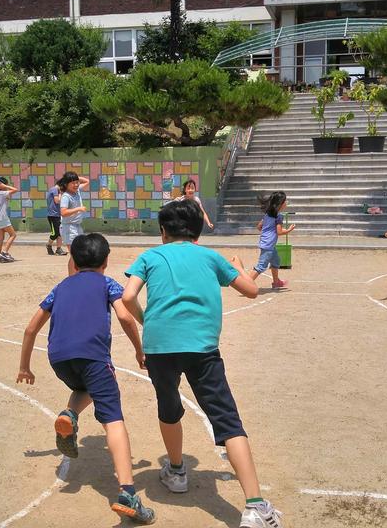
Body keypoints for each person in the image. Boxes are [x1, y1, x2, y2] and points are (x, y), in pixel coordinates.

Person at [121, 199, 284, 528]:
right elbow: (251, 290)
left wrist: (147, 322)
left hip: (159, 348)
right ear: (197, 231)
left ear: (163, 231)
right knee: (226, 418)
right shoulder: (210, 256)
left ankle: (177, 472)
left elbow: (127, 298)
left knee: (168, 407)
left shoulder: (150, 256)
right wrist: (237, 265)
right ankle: (255, 506)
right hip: (201, 348)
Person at [16, 233, 156, 524]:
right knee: (113, 419)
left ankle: (70, 414)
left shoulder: (60, 287)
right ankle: (128, 492)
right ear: (106, 261)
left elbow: (30, 330)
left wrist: (25, 367)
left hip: (58, 358)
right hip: (92, 357)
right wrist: (140, 352)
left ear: (74, 261)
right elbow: (126, 317)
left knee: (85, 386)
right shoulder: (107, 283)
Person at [247, 191, 295, 289]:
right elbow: (279, 232)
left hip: (268, 244)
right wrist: (289, 230)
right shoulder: (279, 217)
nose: (286, 203)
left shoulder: (267, 214)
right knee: (261, 266)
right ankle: (244, 283)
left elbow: (259, 226)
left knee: (276, 261)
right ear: (280, 204)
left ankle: (276, 282)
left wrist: (267, 231)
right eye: (285, 201)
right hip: (268, 245)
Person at [58, 171, 90, 272]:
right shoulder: (66, 196)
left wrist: (74, 177)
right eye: (73, 183)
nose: (76, 185)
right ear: (66, 184)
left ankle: (76, 276)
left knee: (79, 253)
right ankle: (72, 278)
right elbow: (63, 212)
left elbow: (87, 181)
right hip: (68, 227)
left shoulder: (77, 191)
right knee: (74, 254)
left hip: (77, 226)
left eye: (77, 182)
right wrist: (78, 209)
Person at [0, 176, 19, 263]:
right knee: (13, 235)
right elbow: (15, 189)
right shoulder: (3, 193)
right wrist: (5, 186)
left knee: (0, 238)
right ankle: (4, 252)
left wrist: (3, 187)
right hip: (2, 217)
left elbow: (8, 197)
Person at [46, 180, 66, 256]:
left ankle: (58, 249)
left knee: (59, 233)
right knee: (55, 233)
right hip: (52, 215)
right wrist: (61, 193)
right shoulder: (54, 189)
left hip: (57, 214)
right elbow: (57, 201)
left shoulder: (55, 190)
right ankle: (48, 245)